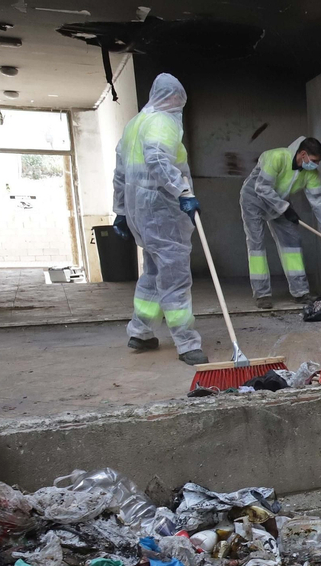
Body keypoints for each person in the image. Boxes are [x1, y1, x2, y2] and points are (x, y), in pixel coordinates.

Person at [111, 72, 206, 365]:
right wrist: (182, 192)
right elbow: (157, 158)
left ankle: (141, 331)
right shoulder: (163, 122)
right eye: (177, 98)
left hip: (140, 213)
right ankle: (186, 343)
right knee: (175, 277)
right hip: (162, 210)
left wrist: (120, 211)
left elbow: (120, 172)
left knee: (152, 272)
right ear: (170, 97)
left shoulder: (134, 124)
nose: (178, 104)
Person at [239, 136, 321, 308]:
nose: (315, 165)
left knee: (292, 243)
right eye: (314, 160)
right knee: (256, 246)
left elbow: (319, 203)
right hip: (253, 200)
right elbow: (261, 188)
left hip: (279, 203)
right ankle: (262, 295)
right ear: (303, 154)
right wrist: (285, 208)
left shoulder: (310, 173)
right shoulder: (276, 157)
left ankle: (300, 292)